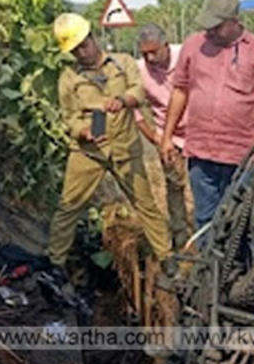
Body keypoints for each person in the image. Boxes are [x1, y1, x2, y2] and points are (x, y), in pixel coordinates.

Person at [49, 13, 173, 278]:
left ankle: (166, 257)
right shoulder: (68, 78)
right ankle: (56, 264)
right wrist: (82, 131)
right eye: (75, 50)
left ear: (93, 37)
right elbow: (68, 117)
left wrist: (123, 100)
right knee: (69, 206)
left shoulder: (123, 62)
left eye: (84, 45)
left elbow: (138, 91)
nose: (82, 53)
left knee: (146, 204)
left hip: (125, 147)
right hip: (88, 152)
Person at [161, 0, 254, 241]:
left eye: (217, 27)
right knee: (205, 217)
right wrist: (167, 136)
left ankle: (237, 263)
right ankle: (207, 262)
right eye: (208, 26)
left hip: (241, 153)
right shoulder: (193, 45)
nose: (211, 31)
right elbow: (180, 90)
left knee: (239, 219)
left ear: (234, 21)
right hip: (201, 150)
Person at [134, 23, 193, 249]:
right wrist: (153, 136)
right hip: (167, 136)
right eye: (145, 53)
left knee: (203, 185)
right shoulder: (140, 70)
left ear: (166, 45)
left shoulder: (187, 57)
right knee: (174, 186)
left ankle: (207, 235)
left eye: (154, 52)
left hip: (199, 132)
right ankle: (180, 238)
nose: (150, 58)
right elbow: (134, 108)